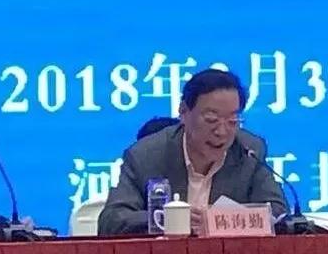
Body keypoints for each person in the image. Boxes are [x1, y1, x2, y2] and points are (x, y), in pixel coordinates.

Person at [97, 69, 287, 235]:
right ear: (183, 112)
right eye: (211, 119)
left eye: (232, 121)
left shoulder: (249, 151)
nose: (222, 132)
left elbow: (278, 214)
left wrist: (224, 220)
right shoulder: (146, 155)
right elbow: (112, 221)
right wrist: (169, 219)